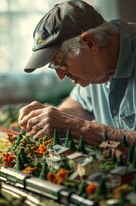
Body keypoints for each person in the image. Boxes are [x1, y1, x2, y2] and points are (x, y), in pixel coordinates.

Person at [18, 0, 136, 146]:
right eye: (53, 66)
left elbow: (76, 124)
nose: (60, 76)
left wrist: (79, 127)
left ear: (89, 43)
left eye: (61, 64)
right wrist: (52, 117)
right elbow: (79, 104)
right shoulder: (97, 65)